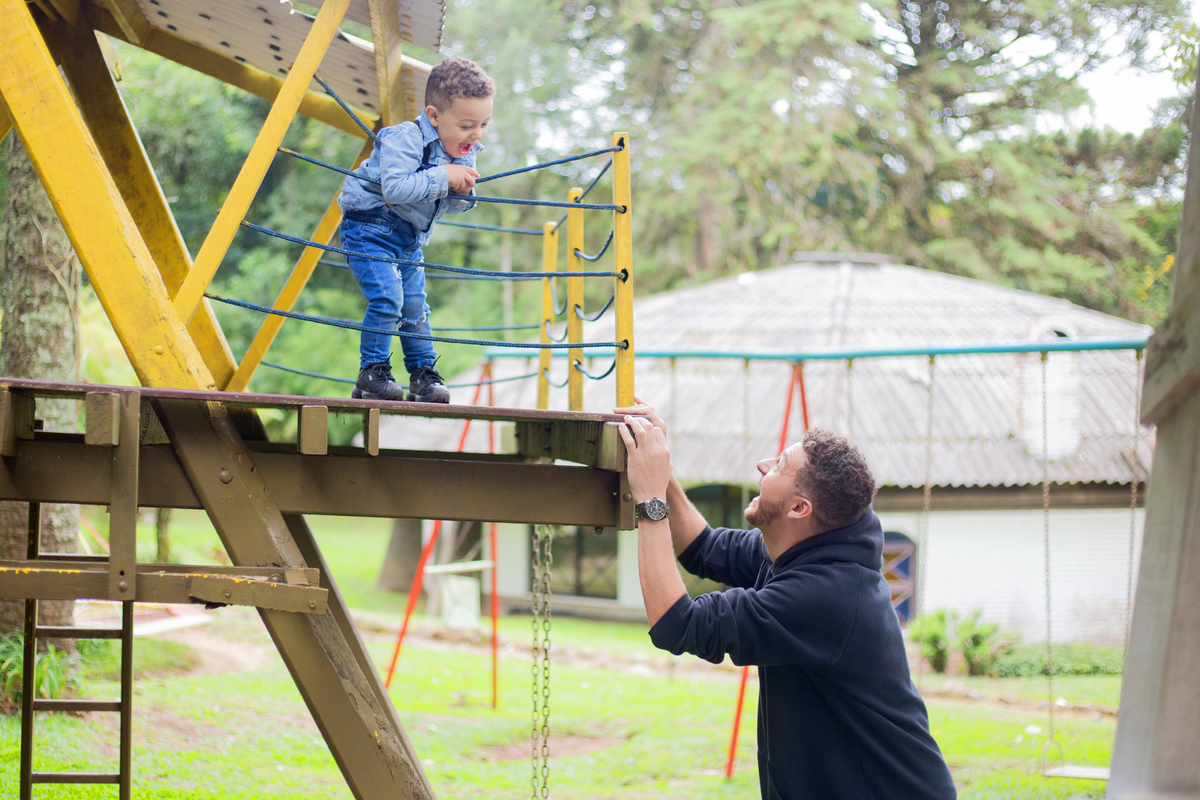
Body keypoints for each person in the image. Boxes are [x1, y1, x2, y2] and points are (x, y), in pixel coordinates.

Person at [615, 397, 957, 800]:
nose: (762, 465)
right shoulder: (804, 550)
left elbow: (677, 623)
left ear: (799, 508)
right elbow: (702, 548)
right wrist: (661, 467)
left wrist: (649, 499)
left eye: (778, 466)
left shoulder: (825, 597)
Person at [338, 56, 495, 403]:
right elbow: (395, 188)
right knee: (387, 299)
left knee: (415, 309)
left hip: (409, 238)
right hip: (369, 226)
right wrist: (444, 176)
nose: (477, 134)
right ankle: (372, 373)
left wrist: (464, 191)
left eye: (484, 124)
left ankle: (423, 375)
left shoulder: (463, 149)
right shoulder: (403, 138)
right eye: (468, 124)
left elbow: (450, 204)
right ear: (434, 116)